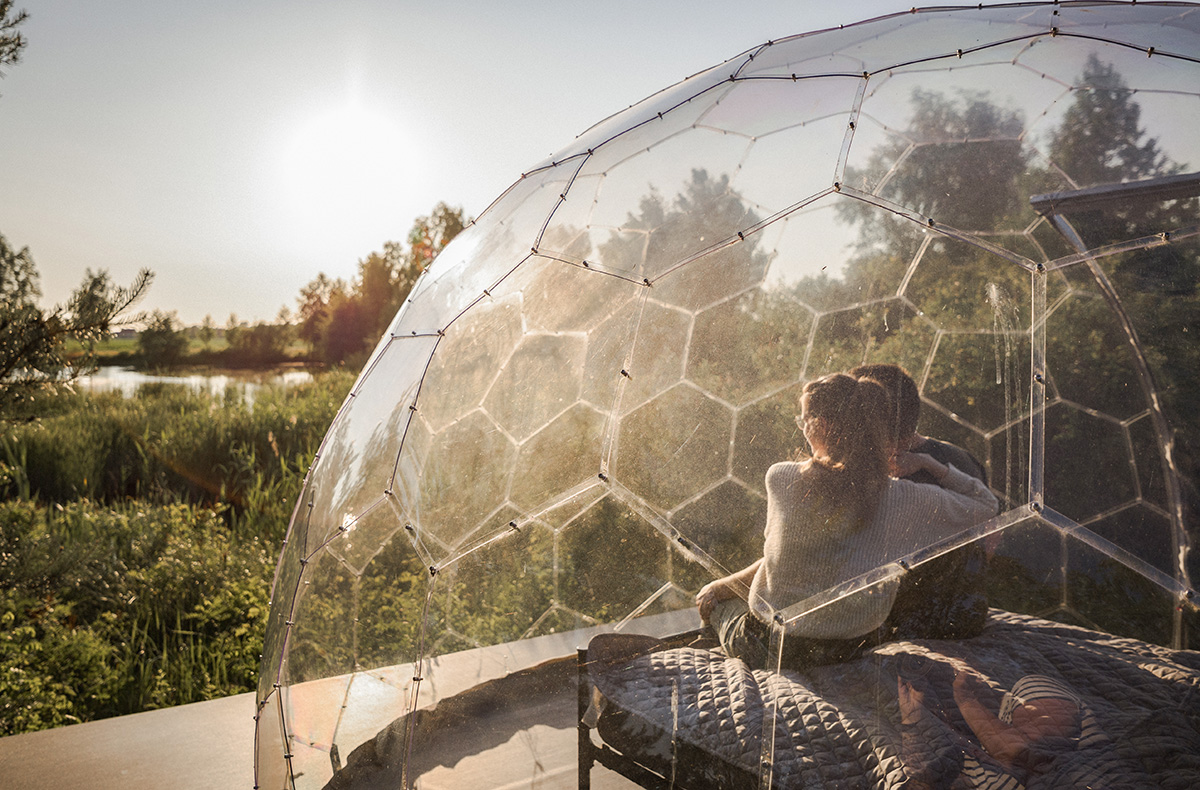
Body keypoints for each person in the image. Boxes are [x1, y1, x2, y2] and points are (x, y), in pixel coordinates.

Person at [695, 373, 998, 671]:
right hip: (850, 648)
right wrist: (928, 465)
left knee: (719, 605)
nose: (801, 429)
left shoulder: (781, 478)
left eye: (803, 421)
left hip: (772, 646)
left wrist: (720, 589)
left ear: (820, 425)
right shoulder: (903, 497)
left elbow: (777, 558)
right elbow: (987, 506)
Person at [851, 363, 990, 641]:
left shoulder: (890, 476)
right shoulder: (959, 460)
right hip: (960, 612)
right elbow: (989, 542)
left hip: (912, 620)